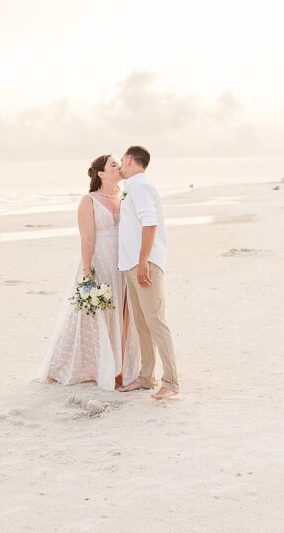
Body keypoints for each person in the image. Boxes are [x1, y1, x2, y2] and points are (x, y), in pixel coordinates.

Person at [38, 155, 140, 390]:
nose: (119, 166)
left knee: (124, 312)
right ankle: (78, 366)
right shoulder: (89, 200)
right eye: (114, 164)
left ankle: (120, 367)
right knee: (94, 314)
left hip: (122, 261)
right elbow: (87, 237)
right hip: (99, 260)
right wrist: (87, 270)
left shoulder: (123, 197)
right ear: (101, 174)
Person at [117, 145, 179, 400]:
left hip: (145, 263)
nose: (120, 165)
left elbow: (150, 223)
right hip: (133, 263)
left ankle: (171, 382)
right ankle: (146, 378)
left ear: (130, 160)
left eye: (122, 161)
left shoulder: (141, 186)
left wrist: (143, 261)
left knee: (155, 322)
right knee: (142, 325)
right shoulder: (133, 187)